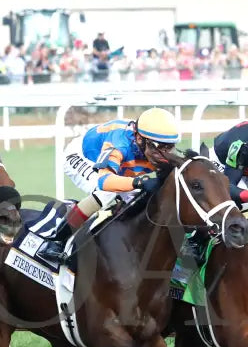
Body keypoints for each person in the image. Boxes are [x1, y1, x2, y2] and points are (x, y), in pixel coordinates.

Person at [47, 107, 180, 263]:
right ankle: (57, 240)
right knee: (106, 193)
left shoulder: (151, 145)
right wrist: (139, 181)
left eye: (169, 146)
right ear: (139, 139)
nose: (164, 153)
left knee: (139, 198)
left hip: (121, 164)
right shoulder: (119, 143)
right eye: (158, 146)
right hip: (82, 156)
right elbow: (105, 181)